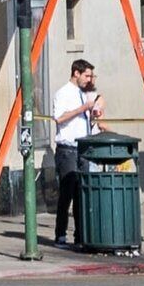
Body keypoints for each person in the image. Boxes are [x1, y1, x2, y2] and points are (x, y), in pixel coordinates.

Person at [49, 58, 104, 246]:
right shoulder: (63, 93)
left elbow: (96, 103)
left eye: (91, 76)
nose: (89, 79)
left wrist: (94, 114)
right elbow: (60, 118)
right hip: (68, 149)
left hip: (84, 148)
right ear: (76, 73)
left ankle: (81, 235)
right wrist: (82, 108)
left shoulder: (85, 94)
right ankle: (60, 234)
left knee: (82, 194)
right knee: (67, 193)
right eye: (87, 75)